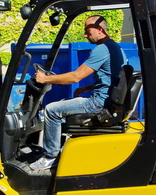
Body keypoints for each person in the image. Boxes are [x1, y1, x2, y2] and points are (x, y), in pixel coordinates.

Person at [30, 14, 123, 170]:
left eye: (88, 30)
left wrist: (45, 79)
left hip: (98, 103)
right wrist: (87, 88)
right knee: (62, 105)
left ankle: (50, 156)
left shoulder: (102, 49)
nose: (85, 35)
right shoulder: (115, 47)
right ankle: (60, 151)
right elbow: (111, 79)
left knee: (52, 110)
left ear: (99, 29)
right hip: (105, 100)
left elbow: (75, 76)